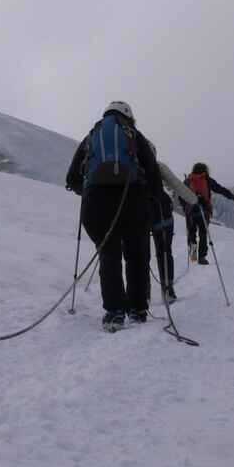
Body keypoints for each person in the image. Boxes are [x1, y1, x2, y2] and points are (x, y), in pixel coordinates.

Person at [66, 101, 164, 330]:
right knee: (136, 255)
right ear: (128, 116)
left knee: (109, 254)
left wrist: (90, 190)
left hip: (96, 204)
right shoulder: (133, 134)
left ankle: (114, 312)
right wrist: (152, 199)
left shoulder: (92, 135)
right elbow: (152, 171)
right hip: (132, 199)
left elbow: (72, 178)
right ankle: (138, 309)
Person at [152, 163, 203, 300]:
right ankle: (195, 258)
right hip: (165, 212)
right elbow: (177, 187)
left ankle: (142, 295)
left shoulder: (129, 165)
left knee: (193, 235)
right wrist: (194, 200)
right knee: (197, 235)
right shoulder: (156, 165)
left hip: (141, 213)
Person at [184, 161, 234, 264]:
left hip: (191, 211)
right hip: (204, 211)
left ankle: (193, 254)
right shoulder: (207, 180)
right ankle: (202, 257)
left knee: (191, 232)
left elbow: (181, 196)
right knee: (203, 233)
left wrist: (185, 208)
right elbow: (220, 189)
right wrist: (232, 197)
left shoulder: (188, 180)